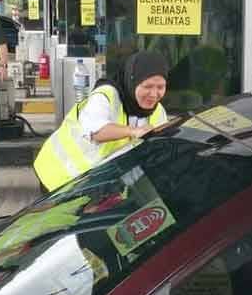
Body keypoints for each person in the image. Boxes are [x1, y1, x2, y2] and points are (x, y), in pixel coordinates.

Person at [34, 50, 169, 192]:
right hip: (59, 175)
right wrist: (133, 131)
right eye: (147, 86)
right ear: (132, 80)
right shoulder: (105, 95)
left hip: (95, 183)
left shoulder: (158, 111)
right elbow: (95, 132)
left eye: (160, 87)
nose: (154, 94)